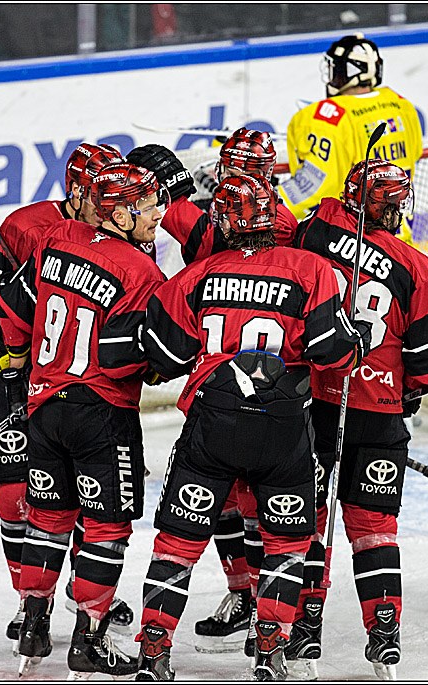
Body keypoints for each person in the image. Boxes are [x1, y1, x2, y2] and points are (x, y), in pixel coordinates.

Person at [133, 174, 367, 681]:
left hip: (213, 420)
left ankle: (154, 649)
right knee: (285, 545)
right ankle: (271, 648)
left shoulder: (198, 275)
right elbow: (332, 353)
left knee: (176, 541)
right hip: (282, 425)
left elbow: (165, 357)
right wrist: (358, 344)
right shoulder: (313, 269)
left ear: (223, 222)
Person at [126, 130, 298, 653]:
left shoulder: (276, 223)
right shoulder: (251, 208)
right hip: (245, 393)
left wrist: (176, 199)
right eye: (230, 167)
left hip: (271, 394)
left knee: (254, 505)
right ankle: (249, 597)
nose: (233, 176)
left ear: (266, 172)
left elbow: (213, 252)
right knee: (226, 501)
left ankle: (281, 616)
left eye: (244, 168)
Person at [0, 163, 168, 677]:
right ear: (120, 211)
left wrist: (17, 354)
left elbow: (9, 306)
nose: (158, 213)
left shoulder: (55, 244)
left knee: (47, 521)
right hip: (102, 415)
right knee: (106, 527)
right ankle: (89, 639)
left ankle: (33, 623)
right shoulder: (142, 273)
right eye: (149, 206)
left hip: (42, 410)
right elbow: (149, 359)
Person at [0, 143, 136, 647]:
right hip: (19, 375)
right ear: (77, 191)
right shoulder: (28, 226)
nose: (113, 205)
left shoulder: (122, 233)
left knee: (87, 497)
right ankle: (28, 600)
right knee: (17, 495)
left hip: (83, 391)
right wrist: (10, 297)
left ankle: (88, 590)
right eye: (100, 195)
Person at [290, 160, 428, 679]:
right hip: (377, 414)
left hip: (314, 403)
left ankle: (303, 627)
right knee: (374, 529)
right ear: (400, 203)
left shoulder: (318, 228)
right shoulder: (416, 267)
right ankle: (384, 629)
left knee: (304, 524)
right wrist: (407, 391)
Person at [280, 33, 423, 243]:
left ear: (344, 72)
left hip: (353, 250)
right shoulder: (402, 106)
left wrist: (271, 203)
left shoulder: (326, 117)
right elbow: (415, 153)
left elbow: (315, 189)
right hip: (402, 244)